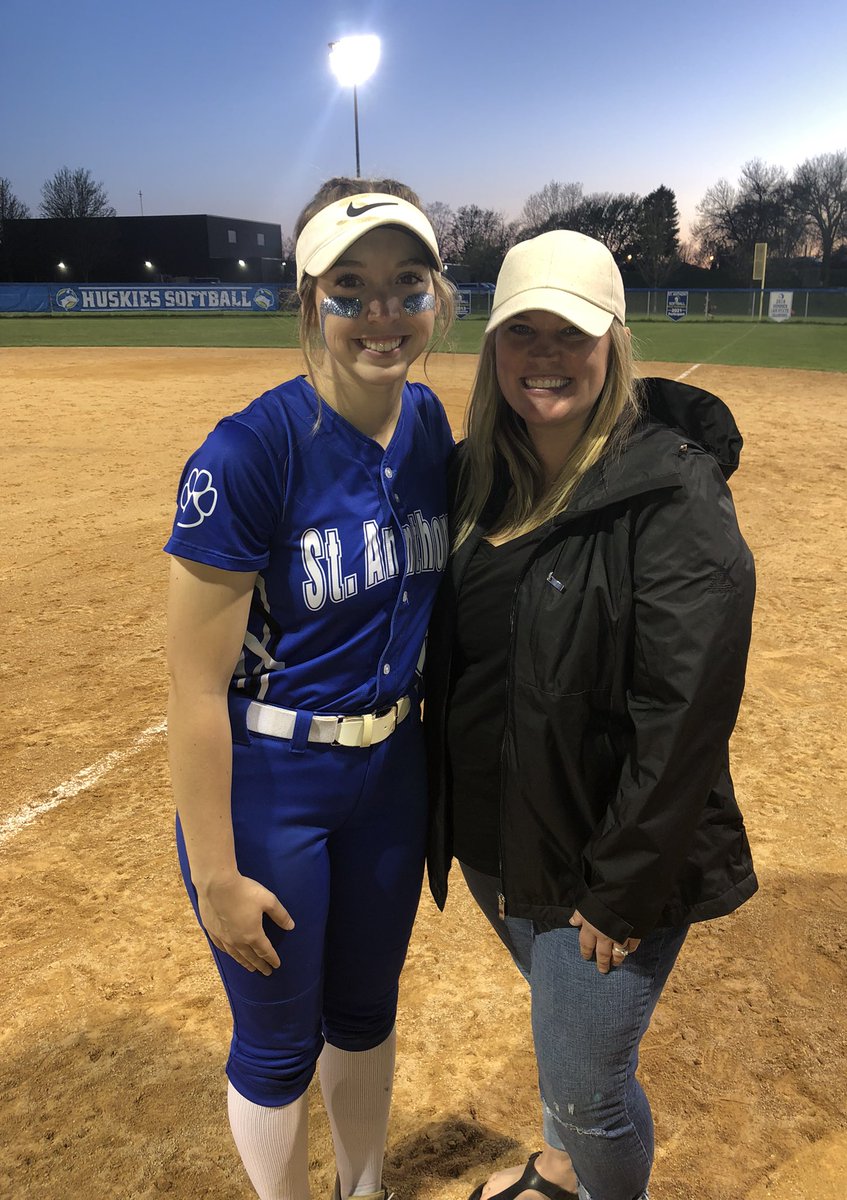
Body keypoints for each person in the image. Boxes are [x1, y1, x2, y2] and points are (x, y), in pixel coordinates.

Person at [424, 230, 757, 1200]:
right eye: (521, 331)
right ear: (493, 345)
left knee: (585, 1087)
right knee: (561, 1046)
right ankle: (564, 1172)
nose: (546, 355)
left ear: (613, 339)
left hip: (605, 858)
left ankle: (600, 1176)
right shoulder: (474, 475)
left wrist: (626, 885)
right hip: (499, 841)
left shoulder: (673, 490)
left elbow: (686, 712)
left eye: (570, 333)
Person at [165, 177, 456, 1200]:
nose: (383, 312)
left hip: (392, 777)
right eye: (351, 288)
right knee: (279, 1044)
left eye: (407, 284)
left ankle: (364, 1190)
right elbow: (193, 691)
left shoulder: (429, 427)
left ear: (436, 297)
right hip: (274, 786)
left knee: (367, 1014)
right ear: (307, 301)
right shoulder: (251, 451)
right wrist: (216, 874)